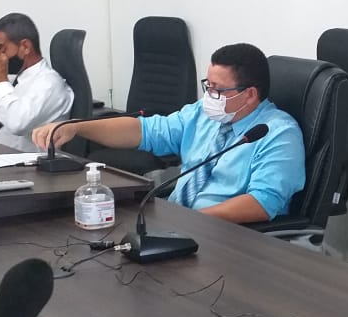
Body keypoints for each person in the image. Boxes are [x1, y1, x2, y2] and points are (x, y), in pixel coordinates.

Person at [32, 43, 304, 224]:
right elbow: (144, 130)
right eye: (207, 86)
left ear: (250, 94)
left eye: (217, 90)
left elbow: (262, 203)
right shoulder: (203, 114)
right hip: (179, 220)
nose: (209, 96)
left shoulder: (279, 134)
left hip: (227, 235)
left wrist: (191, 221)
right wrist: (77, 126)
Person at [0, 13, 73, 152]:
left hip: (28, 164)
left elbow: (17, 124)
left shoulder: (49, 84)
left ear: (25, 47)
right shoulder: (15, 81)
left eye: (1, 48)